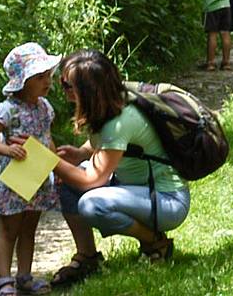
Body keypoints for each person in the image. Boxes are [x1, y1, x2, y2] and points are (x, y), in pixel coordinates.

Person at [49, 50, 190, 288]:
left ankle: (155, 241)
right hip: (135, 190)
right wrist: (82, 152)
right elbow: (106, 142)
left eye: (66, 84)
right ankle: (87, 257)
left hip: (167, 200)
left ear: (88, 90)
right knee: (66, 185)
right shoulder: (113, 100)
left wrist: (50, 161)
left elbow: (91, 179)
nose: (61, 89)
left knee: (91, 203)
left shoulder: (121, 121)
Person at [0, 42, 62, 296]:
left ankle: (24, 277)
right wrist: (7, 150)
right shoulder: (8, 109)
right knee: (9, 230)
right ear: (23, 81)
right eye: (40, 77)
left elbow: (47, 139)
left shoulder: (45, 107)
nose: (47, 81)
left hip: (37, 177)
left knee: (29, 228)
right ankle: (4, 281)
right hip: (15, 180)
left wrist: (56, 166)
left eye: (48, 75)